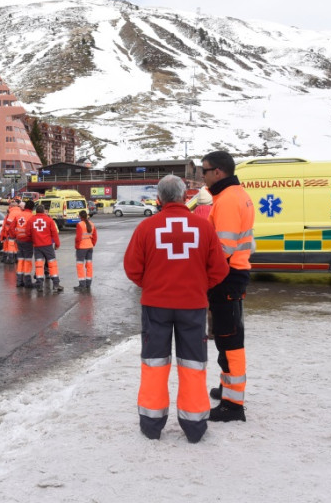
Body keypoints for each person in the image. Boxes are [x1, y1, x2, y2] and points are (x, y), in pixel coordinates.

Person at [123, 175, 228, 443]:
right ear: (184, 196)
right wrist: (199, 286)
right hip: (193, 307)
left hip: (155, 306)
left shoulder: (147, 227)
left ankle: (151, 424)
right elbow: (220, 269)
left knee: (154, 364)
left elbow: (132, 268)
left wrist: (152, 285)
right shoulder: (203, 227)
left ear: (159, 199)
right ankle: (194, 427)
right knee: (193, 364)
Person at [201, 150, 255, 422]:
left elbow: (222, 249)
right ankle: (227, 389)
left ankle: (232, 406)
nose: (203, 177)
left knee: (229, 340)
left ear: (218, 172)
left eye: (205, 171)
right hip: (233, 275)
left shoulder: (228, 200)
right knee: (227, 337)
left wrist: (203, 274)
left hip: (227, 277)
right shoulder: (235, 196)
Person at [28, 204, 63, 293]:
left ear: (36, 211)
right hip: (48, 246)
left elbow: (28, 233)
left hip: (37, 246)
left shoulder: (31, 220)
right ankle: (55, 284)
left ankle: (39, 285)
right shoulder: (49, 220)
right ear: (44, 211)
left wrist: (33, 241)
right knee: (52, 265)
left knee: (39, 266)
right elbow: (54, 233)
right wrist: (57, 244)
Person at [11, 199, 36, 288]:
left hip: (19, 240)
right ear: (32, 208)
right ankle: (27, 282)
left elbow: (11, 227)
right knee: (28, 261)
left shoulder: (18, 215)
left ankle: (19, 281)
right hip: (28, 241)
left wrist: (15, 235)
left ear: (24, 207)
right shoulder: (32, 217)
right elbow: (34, 230)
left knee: (20, 261)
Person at [74, 209, 97, 292]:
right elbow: (94, 237)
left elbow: (78, 238)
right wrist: (92, 244)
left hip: (81, 248)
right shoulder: (92, 224)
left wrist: (77, 246)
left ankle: (82, 284)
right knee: (89, 265)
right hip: (90, 247)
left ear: (80, 216)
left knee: (80, 266)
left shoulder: (80, 224)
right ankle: (88, 283)